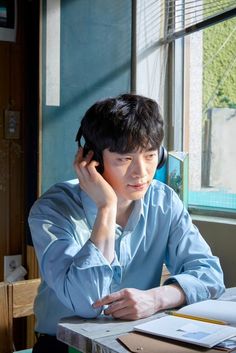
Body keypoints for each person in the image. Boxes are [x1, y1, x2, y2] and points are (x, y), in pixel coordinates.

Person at [28, 93, 225, 353]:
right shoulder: (52, 210)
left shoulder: (164, 200)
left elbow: (210, 274)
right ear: (92, 159)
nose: (141, 173)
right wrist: (106, 208)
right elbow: (87, 303)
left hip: (137, 340)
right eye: (124, 159)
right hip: (64, 346)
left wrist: (155, 299)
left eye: (150, 156)